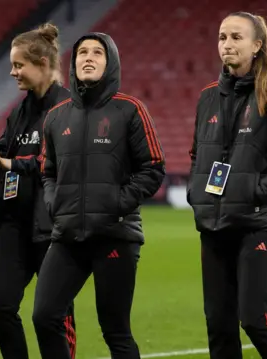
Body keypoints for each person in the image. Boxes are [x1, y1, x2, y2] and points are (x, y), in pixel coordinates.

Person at [32, 32, 166, 359]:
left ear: (110, 63)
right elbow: (47, 170)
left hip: (114, 235)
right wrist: (54, 202)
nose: (88, 58)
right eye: (82, 53)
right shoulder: (56, 116)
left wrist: (116, 205)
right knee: (44, 316)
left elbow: (153, 169)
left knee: (115, 329)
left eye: (97, 53)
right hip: (66, 236)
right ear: (73, 62)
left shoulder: (130, 110)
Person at [187, 12, 267, 359]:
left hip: (258, 224)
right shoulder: (207, 96)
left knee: (254, 318)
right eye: (223, 37)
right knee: (219, 324)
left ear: (257, 45)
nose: (227, 44)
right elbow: (197, 154)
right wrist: (197, 193)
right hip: (213, 224)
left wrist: (254, 191)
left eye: (236, 37)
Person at [0, 23, 76, 359]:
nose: (12, 72)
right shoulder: (20, 110)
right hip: (13, 224)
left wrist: (9, 164)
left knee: (54, 316)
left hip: (51, 226)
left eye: (19, 65)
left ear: (42, 64)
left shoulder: (68, 108)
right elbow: (5, 155)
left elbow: (54, 163)